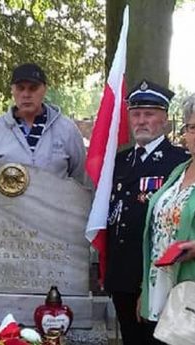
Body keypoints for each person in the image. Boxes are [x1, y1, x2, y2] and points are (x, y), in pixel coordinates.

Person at [104, 80, 190, 345]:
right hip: (121, 274)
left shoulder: (179, 161)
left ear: (165, 120)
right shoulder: (120, 160)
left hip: (155, 277)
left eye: (149, 114)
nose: (141, 121)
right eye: (136, 113)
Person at [140, 93, 195, 344]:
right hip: (161, 289)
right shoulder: (178, 171)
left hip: (190, 295)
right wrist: (146, 290)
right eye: (193, 127)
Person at [0, 63, 86, 184]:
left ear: (44, 89)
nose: (26, 94)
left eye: (33, 88)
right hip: (6, 203)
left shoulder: (67, 130)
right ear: (12, 90)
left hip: (55, 202)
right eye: (20, 88)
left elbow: (80, 180)